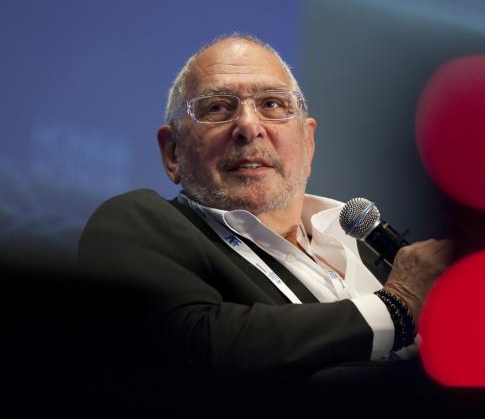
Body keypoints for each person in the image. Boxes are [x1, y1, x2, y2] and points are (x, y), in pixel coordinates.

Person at [78, 34, 451, 399]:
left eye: (272, 104)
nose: (248, 127)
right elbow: (192, 347)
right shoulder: (142, 223)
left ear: (308, 144)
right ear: (172, 151)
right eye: (218, 108)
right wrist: (396, 308)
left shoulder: (368, 243)